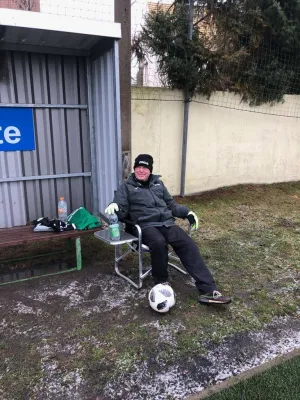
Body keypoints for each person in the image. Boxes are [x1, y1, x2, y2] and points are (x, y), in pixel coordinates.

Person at [105, 154, 231, 305]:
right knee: (158, 242)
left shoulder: (158, 184)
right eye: (138, 167)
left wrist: (187, 212)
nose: (141, 170)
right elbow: (123, 210)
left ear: (150, 170)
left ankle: (209, 290)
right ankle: (161, 282)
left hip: (166, 223)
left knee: (187, 243)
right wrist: (116, 206)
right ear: (134, 169)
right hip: (145, 225)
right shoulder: (126, 187)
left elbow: (171, 205)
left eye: (145, 167)